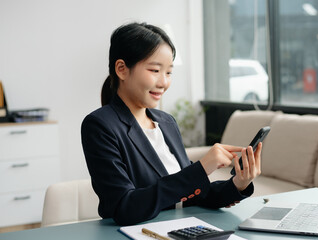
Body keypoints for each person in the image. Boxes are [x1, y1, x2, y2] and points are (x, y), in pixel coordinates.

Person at [81, 22, 262, 226]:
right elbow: (125, 207)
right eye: (155, 70)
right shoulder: (100, 125)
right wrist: (201, 168)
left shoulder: (166, 122)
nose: (164, 82)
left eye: (168, 72)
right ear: (122, 69)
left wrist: (239, 183)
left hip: (182, 228)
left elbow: (193, 195)